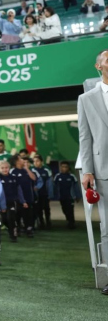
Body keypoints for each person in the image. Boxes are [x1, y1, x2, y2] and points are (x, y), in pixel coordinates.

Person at [77, 49, 108, 294]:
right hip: (103, 170)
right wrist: (87, 170)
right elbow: (85, 137)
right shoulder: (86, 99)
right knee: (107, 226)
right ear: (99, 66)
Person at [0, 160, 26, 243]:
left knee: (11, 218)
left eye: (6, 168)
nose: (5, 169)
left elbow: (19, 190)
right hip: (1, 203)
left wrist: (23, 201)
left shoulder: (13, 178)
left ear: (9, 168)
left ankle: (13, 235)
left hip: (11, 202)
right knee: (4, 219)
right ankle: (12, 228)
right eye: (2, 168)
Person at [54, 161, 80, 230]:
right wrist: (54, 195)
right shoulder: (57, 176)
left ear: (68, 168)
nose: (64, 168)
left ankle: (71, 223)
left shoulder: (72, 176)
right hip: (62, 197)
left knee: (70, 210)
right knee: (64, 210)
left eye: (66, 167)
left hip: (70, 197)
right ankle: (68, 220)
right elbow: (55, 186)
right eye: (63, 167)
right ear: (60, 168)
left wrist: (78, 196)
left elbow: (76, 187)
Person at [32, 156, 53, 230]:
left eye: (37, 161)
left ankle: (48, 222)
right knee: (38, 209)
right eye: (34, 161)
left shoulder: (46, 170)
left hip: (44, 193)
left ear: (41, 162)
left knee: (46, 208)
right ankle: (41, 223)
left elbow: (50, 183)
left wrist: (50, 194)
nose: (35, 163)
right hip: (36, 194)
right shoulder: (32, 170)